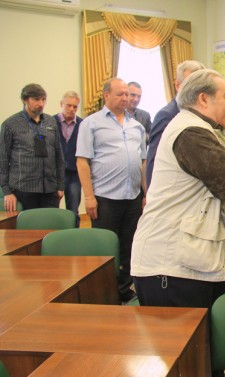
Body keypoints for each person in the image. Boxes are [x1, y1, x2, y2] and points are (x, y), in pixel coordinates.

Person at [130, 69, 225, 308]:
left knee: (205, 330)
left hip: (191, 263)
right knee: (185, 333)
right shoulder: (190, 132)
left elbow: (207, 194)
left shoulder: (198, 129)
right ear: (203, 98)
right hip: (170, 268)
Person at [76, 78, 146, 304]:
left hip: (132, 196)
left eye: (128, 94)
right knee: (105, 247)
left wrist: (146, 194)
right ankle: (105, 292)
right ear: (106, 95)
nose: (126, 98)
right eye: (120, 94)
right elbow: (82, 161)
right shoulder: (91, 123)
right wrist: (88, 197)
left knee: (129, 244)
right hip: (105, 197)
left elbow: (143, 162)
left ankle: (124, 289)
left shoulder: (137, 126)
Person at [0, 83, 65, 211]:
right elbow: (2, 159)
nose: (41, 103)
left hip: (49, 189)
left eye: (43, 99)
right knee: (29, 223)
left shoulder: (51, 122)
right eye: (36, 99)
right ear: (24, 100)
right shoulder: (10, 124)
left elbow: (59, 155)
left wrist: (61, 185)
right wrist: (7, 191)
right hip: (23, 190)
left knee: (50, 223)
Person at [146, 60, 205, 188]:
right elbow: (154, 160)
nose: (196, 89)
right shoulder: (167, 115)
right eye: (190, 83)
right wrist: (151, 195)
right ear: (178, 85)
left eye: (199, 84)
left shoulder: (201, 113)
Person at [54, 91, 83, 227]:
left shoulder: (83, 124)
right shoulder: (50, 122)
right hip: (54, 174)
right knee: (52, 210)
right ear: (61, 104)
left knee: (73, 210)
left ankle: (74, 235)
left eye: (75, 106)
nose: (72, 109)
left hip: (74, 174)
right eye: (68, 105)